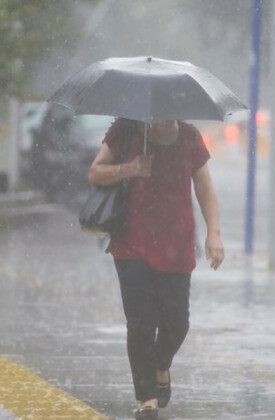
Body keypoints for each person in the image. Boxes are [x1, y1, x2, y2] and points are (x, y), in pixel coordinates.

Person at [89, 117, 224, 420]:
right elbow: (95, 172)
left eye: (170, 112)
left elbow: (204, 187)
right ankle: (145, 398)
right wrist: (131, 168)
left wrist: (213, 232)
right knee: (141, 323)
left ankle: (161, 365)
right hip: (131, 242)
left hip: (176, 243)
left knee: (177, 322)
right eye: (158, 112)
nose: (163, 119)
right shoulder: (127, 130)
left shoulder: (189, 136)